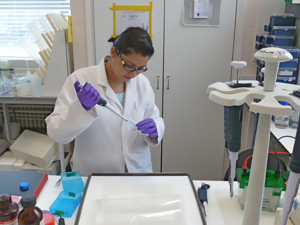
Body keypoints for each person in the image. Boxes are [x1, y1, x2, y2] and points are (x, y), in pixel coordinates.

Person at [45, 27, 165, 175]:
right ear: (114, 52)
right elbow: (56, 132)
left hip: (138, 172)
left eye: (140, 68)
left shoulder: (142, 83)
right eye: (129, 65)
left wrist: (156, 128)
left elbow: (155, 117)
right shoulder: (80, 80)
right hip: (96, 175)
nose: (133, 74)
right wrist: (81, 109)